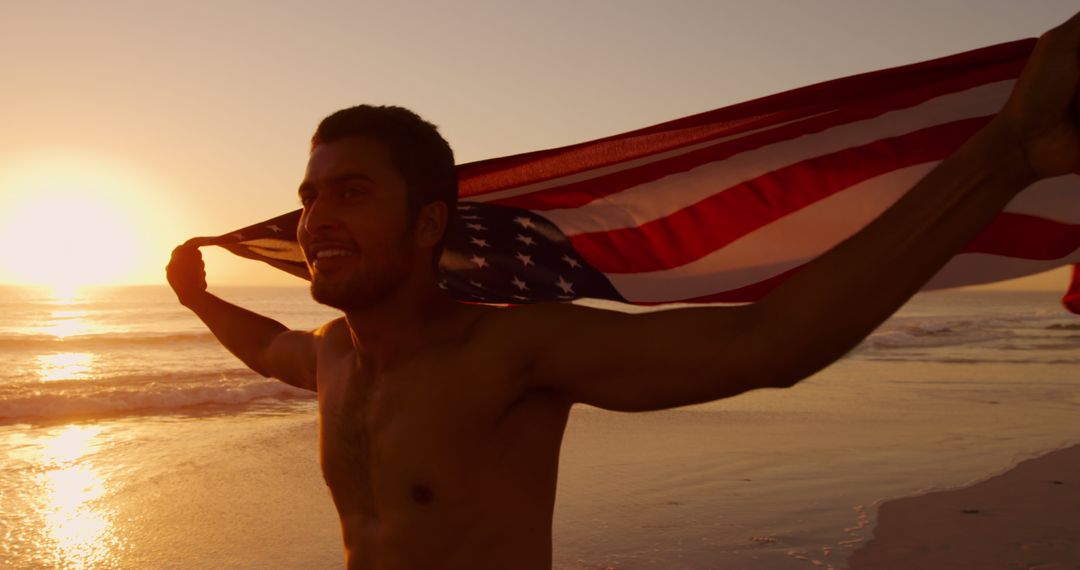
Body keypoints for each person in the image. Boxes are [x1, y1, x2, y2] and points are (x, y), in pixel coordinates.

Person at [167, 12, 1080, 570]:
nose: (314, 218)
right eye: (310, 195)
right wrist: (200, 300)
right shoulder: (334, 360)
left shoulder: (513, 351)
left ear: (431, 223)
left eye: (352, 192)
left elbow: (768, 346)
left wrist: (1001, 159)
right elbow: (272, 350)